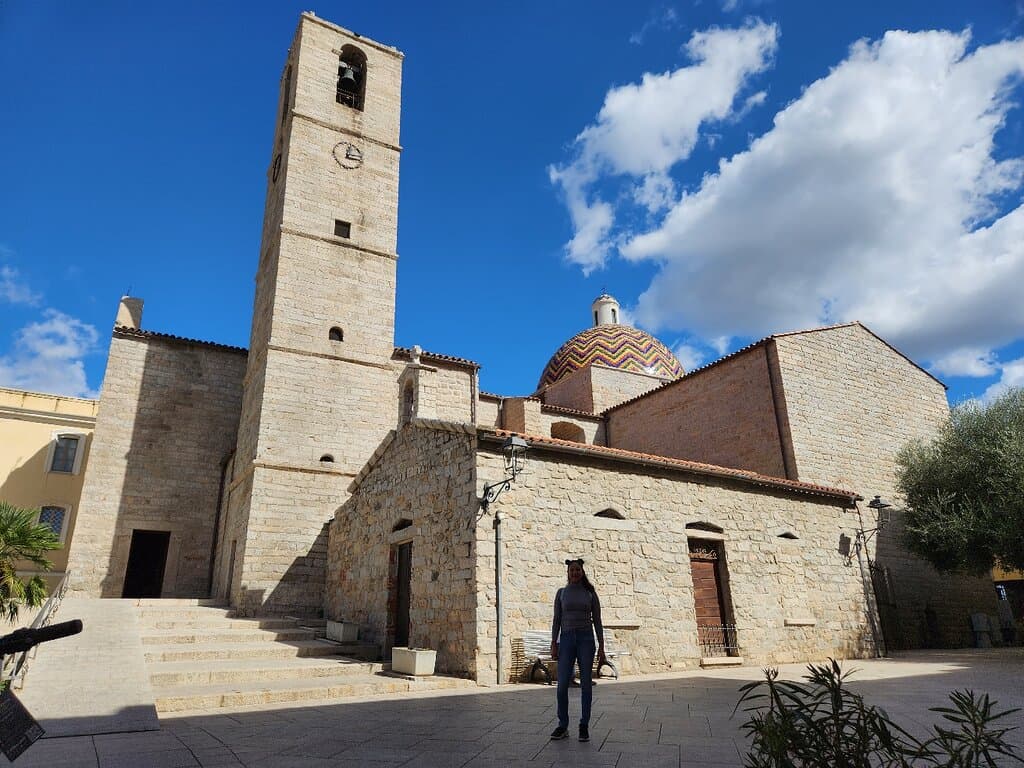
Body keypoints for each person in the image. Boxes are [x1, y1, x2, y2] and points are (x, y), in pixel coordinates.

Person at [550, 558, 605, 742]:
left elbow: (597, 621)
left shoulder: (590, 593)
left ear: (582, 572)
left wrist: (602, 646)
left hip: (586, 640)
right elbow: (557, 620)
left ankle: (584, 725)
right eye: (572, 570)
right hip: (566, 640)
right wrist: (553, 643)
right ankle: (562, 725)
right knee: (562, 684)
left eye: (578, 570)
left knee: (586, 683)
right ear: (568, 572)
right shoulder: (561, 593)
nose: (575, 573)